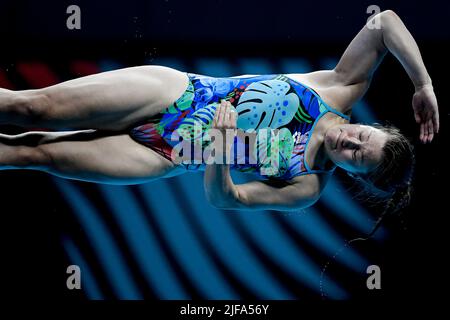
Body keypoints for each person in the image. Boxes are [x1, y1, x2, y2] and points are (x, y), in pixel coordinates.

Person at [0, 10, 439, 217]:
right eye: (365, 137)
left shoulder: (306, 185)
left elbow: (226, 199)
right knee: (32, 108)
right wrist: (422, 83)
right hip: (174, 93)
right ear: (370, 125)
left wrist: (218, 154)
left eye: (358, 158)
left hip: (167, 156)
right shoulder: (341, 87)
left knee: (36, 155)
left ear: (355, 175)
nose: (352, 144)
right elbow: (384, 22)